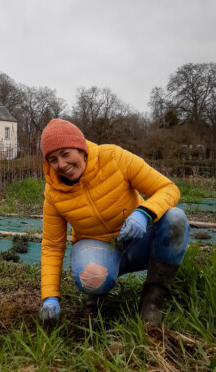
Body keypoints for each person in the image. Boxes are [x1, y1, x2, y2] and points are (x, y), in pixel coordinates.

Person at [39, 119, 190, 325]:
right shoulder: (54, 192)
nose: (62, 165)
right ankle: (96, 298)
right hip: (97, 246)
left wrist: (144, 213)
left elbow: (168, 188)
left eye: (66, 154)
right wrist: (50, 297)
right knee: (91, 278)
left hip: (139, 240)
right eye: (53, 159)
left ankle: (153, 300)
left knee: (175, 219)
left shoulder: (114, 158)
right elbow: (52, 246)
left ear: (82, 149)